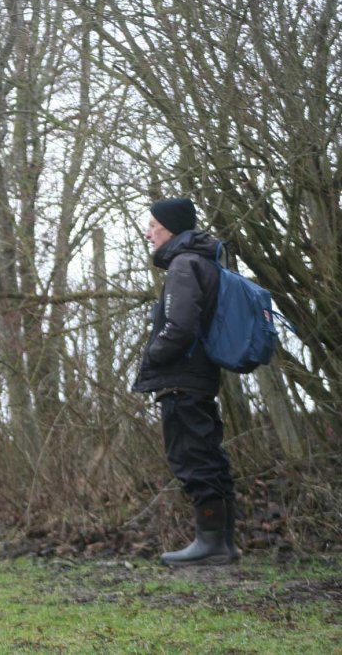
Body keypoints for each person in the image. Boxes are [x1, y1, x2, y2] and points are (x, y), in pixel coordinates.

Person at [133, 197, 238, 566]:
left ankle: (211, 543)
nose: (148, 234)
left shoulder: (182, 264)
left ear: (171, 229)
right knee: (209, 455)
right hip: (199, 376)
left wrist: (152, 355)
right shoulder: (202, 261)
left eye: (153, 226)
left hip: (182, 378)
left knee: (192, 457)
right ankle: (222, 543)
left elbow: (179, 327)